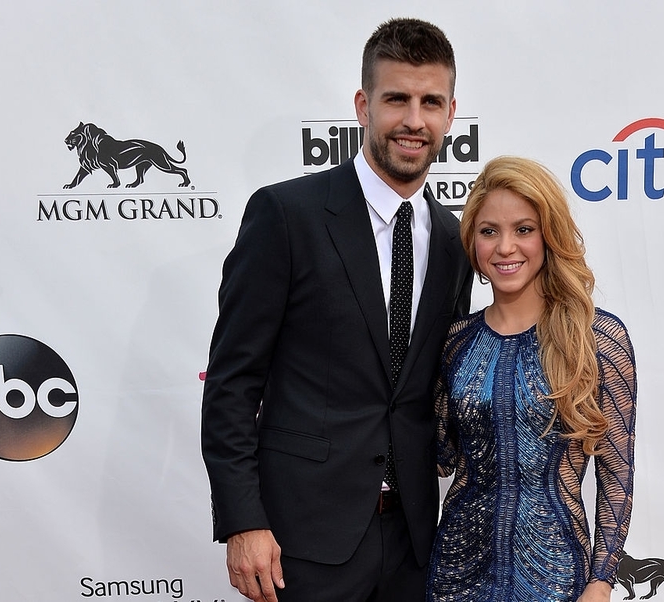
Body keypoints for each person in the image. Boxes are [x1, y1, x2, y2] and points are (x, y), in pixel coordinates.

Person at [201, 18, 473, 602]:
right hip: (304, 540)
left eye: (431, 102)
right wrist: (243, 520)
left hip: (416, 542)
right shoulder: (286, 215)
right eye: (396, 98)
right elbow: (231, 381)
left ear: (452, 114)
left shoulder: (457, 241)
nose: (414, 120)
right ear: (363, 105)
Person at [427, 156, 637, 602]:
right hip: (457, 571)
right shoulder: (455, 341)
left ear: (548, 236)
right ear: (472, 243)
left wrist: (601, 580)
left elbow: (617, 471)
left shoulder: (597, 338)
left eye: (523, 229)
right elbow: (441, 458)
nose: (506, 247)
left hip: (557, 575)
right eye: (489, 231)